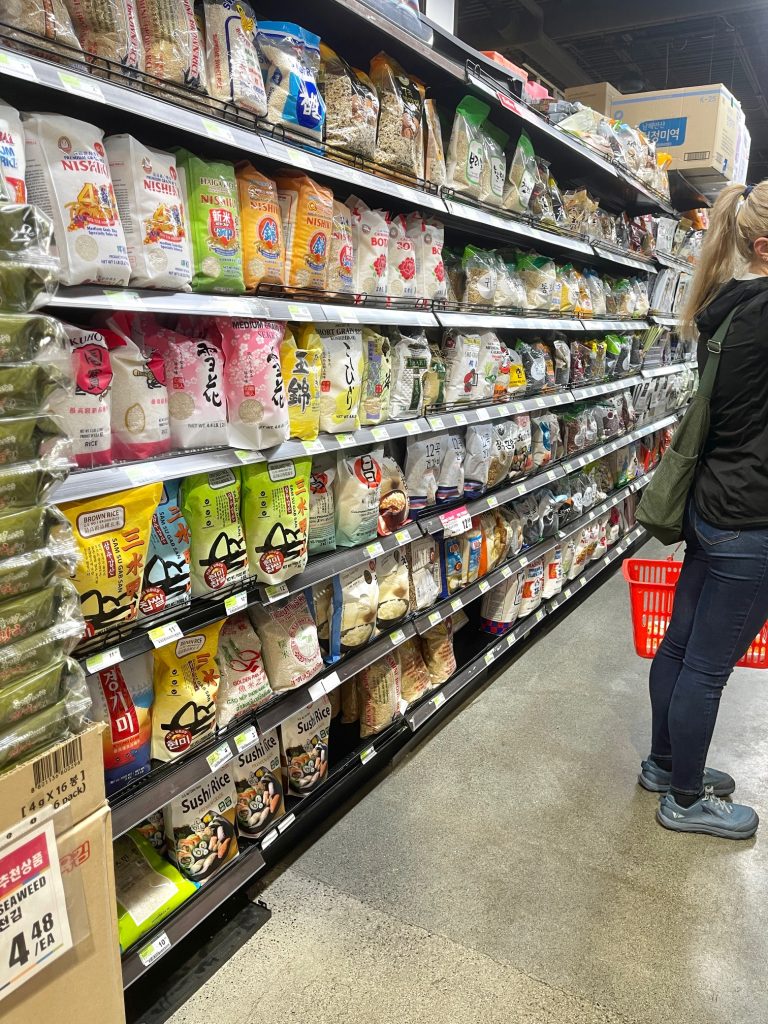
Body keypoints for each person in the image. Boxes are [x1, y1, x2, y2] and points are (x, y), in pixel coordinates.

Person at [639, 181, 768, 840]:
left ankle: (665, 764)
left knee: (682, 645)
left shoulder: (724, 305)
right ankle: (686, 799)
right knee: (707, 667)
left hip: (711, 502)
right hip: (752, 516)